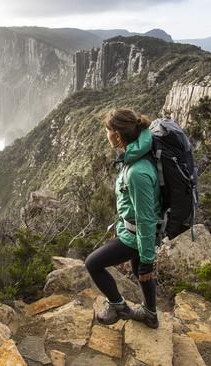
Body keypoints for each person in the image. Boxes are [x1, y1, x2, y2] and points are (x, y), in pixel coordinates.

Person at [84, 108, 161, 329]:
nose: (105, 134)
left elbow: (146, 219)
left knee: (93, 263)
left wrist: (148, 259)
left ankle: (119, 307)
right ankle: (150, 314)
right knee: (139, 272)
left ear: (117, 134)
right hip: (133, 231)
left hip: (138, 236)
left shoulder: (138, 172)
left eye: (107, 130)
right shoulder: (136, 153)